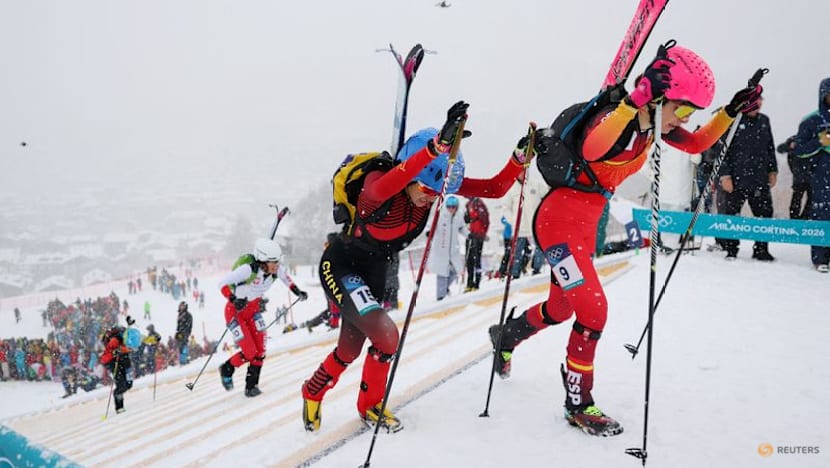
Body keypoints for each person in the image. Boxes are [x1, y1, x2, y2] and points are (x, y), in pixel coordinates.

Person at [488, 42, 762, 437]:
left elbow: (699, 143)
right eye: (682, 109)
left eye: (691, 113)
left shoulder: (653, 124)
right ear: (659, 97)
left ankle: (506, 335)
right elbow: (592, 146)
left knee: (562, 308)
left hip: (584, 226)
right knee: (593, 310)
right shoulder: (620, 118)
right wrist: (633, 102)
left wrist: (731, 111)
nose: (683, 119)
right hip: (558, 226)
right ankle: (578, 402)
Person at [301, 101, 530, 433]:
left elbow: (493, 189)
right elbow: (398, 177)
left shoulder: (433, 183)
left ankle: (313, 390)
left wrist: (518, 159)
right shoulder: (379, 186)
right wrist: (435, 147)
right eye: (425, 189)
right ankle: (370, 406)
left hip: (374, 272)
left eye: (437, 193)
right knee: (386, 336)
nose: (430, 197)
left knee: (349, 349)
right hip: (341, 266)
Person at [218, 238, 308, 397]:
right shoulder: (248, 270)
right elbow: (222, 283)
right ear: (262, 261)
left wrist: (297, 292)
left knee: (260, 350)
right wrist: (233, 299)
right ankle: (227, 368)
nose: (276, 265)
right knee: (249, 351)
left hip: (253, 310)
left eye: (277, 262)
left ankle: (251, 386)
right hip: (235, 313)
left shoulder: (275, 270)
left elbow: (287, 280)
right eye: (273, 262)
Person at [713, 96, 777, 261]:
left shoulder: (764, 121)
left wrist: (773, 170)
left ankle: (761, 249)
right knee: (731, 215)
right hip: (736, 179)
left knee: (764, 215)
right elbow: (722, 150)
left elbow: (770, 147)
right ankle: (731, 249)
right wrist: (725, 176)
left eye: (761, 101)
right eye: (755, 102)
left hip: (760, 179)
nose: (759, 105)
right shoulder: (733, 121)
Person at [793, 77, 830, 273]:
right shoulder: (812, 120)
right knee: (821, 214)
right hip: (822, 176)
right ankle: (820, 257)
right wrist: (820, 142)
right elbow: (799, 150)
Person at [428, 195, 465, 300]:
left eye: (453, 207)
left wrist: (471, 235)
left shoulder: (458, 217)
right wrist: (428, 232)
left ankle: (445, 289)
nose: (451, 209)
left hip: (453, 250)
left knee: (455, 271)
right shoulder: (440, 216)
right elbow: (430, 226)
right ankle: (440, 296)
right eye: (449, 206)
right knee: (442, 273)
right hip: (441, 250)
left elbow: (463, 229)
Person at [778, 135, 813, 219]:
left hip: (811, 177)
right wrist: (790, 146)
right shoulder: (795, 139)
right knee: (797, 199)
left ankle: (803, 218)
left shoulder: (817, 139)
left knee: (810, 200)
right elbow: (780, 149)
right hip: (800, 176)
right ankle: (796, 219)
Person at [99, 325, 133, 413]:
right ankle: (119, 406)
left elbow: (133, 344)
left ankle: (119, 396)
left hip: (125, 363)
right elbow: (103, 358)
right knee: (121, 385)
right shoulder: (109, 344)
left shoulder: (121, 339)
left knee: (129, 384)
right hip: (115, 366)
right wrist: (114, 353)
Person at [463, 196, 489, 290]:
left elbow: (485, 219)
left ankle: (476, 283)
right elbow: (466, 220)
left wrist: (483, 233)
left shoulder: (478, 203)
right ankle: (469, 283)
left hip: (478, 235)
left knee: (476, 260)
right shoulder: (468, 204)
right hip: (470, 234)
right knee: (469, 260)